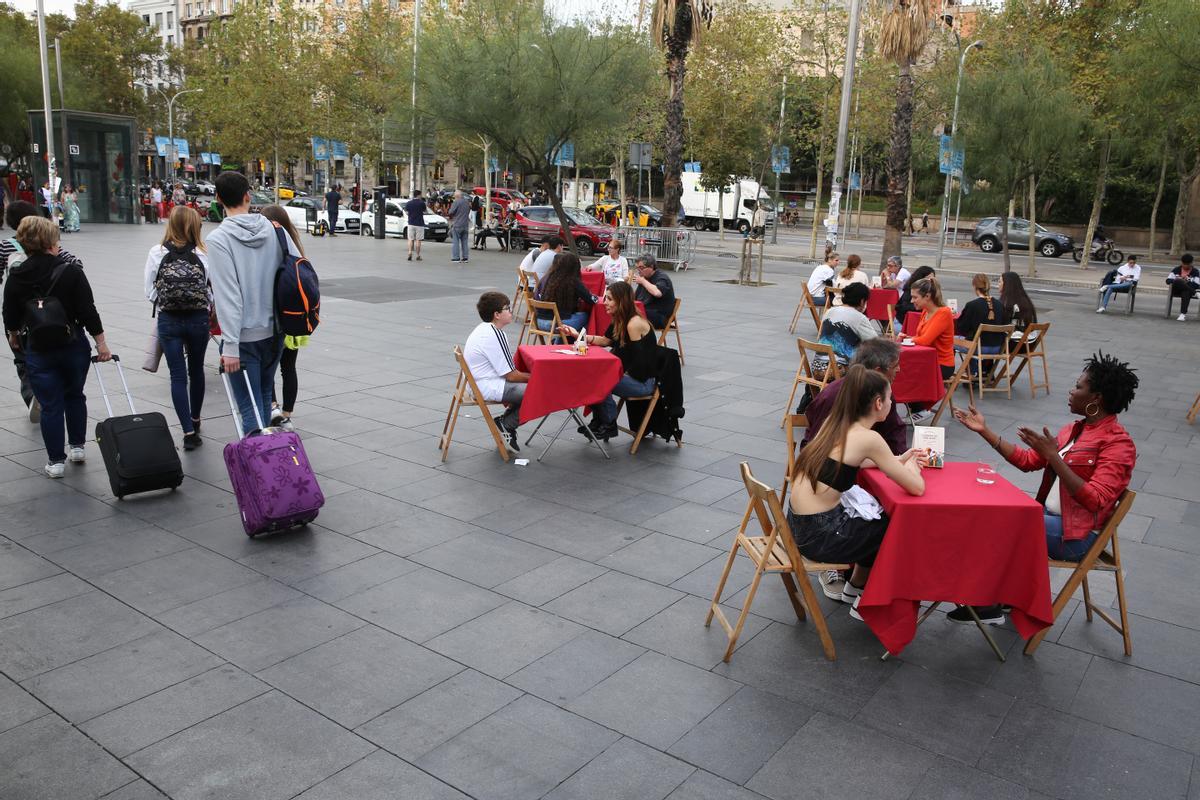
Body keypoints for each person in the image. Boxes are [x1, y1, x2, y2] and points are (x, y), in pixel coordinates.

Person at [953, 352, 1138, 625]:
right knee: (992, 511)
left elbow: (1096, 500)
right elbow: (1027, 461)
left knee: (1004, 522)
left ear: (1096, 398)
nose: (1072, 391)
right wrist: (985, 430)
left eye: (1078, 387)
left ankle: (989, 602)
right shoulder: (1074, 430)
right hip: (1051, 522)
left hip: (1078, 536)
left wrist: (1055, 458)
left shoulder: (1118, 444)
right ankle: (999, 596)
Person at [789, 364, 925, 618]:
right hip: (821, 536)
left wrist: (901, 458)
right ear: (877, 403)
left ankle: (855, 587)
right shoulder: (868, 438)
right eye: (890, 398)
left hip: (798, 525)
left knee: (875, 518)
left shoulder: (835, 423)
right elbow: (916, 488)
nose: (891, 404)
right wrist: (915, 467)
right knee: (897, 528)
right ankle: (870, 602)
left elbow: (859, 461)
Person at [2, 217, 110, 477]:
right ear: (50, 241)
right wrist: (101, 343)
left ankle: (55, 462)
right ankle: (77, 448)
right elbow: (87, 310)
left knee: (50, 404)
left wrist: (14, 335)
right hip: (73, 344)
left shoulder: (17, 275)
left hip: (39, 348)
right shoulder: (70, 270)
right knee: (75, 394)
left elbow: (9, 312)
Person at [207, 171, 298, 436]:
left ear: (218, 199)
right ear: (248, 195)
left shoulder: (218, 240)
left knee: (248, 408)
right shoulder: (276, 230)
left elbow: (228, 295)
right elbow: (297, 270)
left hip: (243, 337)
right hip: (276, 332)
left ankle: (260, 470)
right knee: (261, 400)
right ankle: (269, 465)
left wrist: (231, 346)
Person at [1, 200, 83, 421]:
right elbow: (76, 264)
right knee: (51, 351)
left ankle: (32, 393)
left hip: (20, 312)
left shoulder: (5, 246)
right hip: (51, 311)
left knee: (23, 357)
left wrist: (12, 330)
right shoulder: (51, 246)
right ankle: (50, 389)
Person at [143, 206, 210, 450]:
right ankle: (196, 417)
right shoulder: (203, 253)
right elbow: (209, 288)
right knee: (197, 371)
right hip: (198, 319)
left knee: (177, 376)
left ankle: (188, 431)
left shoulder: (156, 252)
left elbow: (149, 291)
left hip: (169, 320)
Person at [561, 281, 655, 443]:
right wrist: (579, 336)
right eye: (606, 298)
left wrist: (613, 373)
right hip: (632, 376)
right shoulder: (621, 319)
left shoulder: (633, 323)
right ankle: (600, 421)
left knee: (598, 379)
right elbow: (605, 340)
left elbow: (640, 364)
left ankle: (608, 423)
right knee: (592, 376)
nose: (605, 302)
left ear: (621, 301)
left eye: (609, 299)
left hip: (644, 382)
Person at [260, 205, 308, 432]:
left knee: (267, 366)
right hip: (294, 319)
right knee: (289, 368)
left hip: (275, 318)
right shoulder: (296, 247)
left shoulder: (268, 247)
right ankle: (287, 414)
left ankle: (272, 407)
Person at [463, 291, 528, 451]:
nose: (511, 311)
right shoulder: (494, 334)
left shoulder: (483, 329)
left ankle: (506, 423)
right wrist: (539, 377)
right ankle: (507, 424)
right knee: (541, 390)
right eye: (507, 308)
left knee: (535, 387)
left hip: (478, 384)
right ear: (497, 314)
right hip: (486, 386)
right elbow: (511, 376)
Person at [901, 276, 955, 422]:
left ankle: (920, 409)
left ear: (927, 296)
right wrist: (909, 337)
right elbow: (921, 337)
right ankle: (915, 407)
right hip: (926, 360)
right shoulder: (925, 311)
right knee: (898, 368)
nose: (912, 301)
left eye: (915, 297)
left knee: (905, 371)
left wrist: (909, 339)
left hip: (942, 363)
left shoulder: (943, 313)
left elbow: (924, 340)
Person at [816, 282, 878, 368]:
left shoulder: (829, 311)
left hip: (817, 367)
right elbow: (876, 342)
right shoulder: (859, 317)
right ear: (862, 301)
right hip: (839, 370)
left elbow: (820, 335)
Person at [535, 252, 593, 337]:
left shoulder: (549, 278)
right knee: (587, 317)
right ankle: (573, 343)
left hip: (540, 322)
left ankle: (561, 342)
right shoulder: (573, 281)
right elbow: (590, 299)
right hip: (556, 325)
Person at [955, 273, 1006, 367]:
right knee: (972, 340)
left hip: (978, 347)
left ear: (974, 286)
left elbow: (962, 328)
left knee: (948, 340)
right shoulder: (999, 305)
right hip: (997, 348)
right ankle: (977, 372)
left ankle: (950, 372)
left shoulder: (972, 305)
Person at [632, 253, 675, 328]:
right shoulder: (645, 277)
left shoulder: (661, 277)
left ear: (651, 267)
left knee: (629, 317)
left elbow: (657, 293)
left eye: (641, 268)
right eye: (637, 268)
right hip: (646, 311)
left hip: (659, 316)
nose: (639, 271)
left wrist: (643, 281)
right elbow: (636, 298)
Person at [1167, 253, 1199, 321]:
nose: (1185, 266)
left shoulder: (1195, 272)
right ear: (1181, 262)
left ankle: (1182, 314)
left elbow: (1197, 284)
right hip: (1176, 289)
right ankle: (1195, 293)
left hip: (1187, 291)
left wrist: (1187, 282)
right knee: (1178, 281)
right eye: (1184, 264)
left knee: (1185, 291)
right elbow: (1168, 280)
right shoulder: (1176, 269)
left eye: (1187, 264)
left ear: (1191, 263)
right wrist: (1180, 280)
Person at [448, 189, 472, 262]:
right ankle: (465, 258)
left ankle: (456, 257)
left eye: (454, 196)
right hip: (465, 224)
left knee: (456, 241)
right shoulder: (467, 202)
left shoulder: (456, 202)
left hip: (457, 224)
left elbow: (450, 212)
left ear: (457, 196)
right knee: (465, 242)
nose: (454, 198)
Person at [404, 190, 426, 262]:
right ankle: (418, 255)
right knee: (418, 240)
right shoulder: (422, 203)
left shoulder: (409, 203)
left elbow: (406, 212)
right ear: (419, 195)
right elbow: (424, 211)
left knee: (410, 239)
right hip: (419, 224)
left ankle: (410, 252)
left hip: (411, 223)